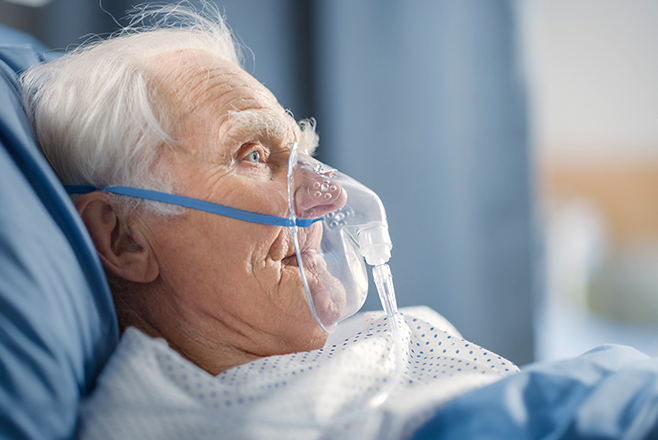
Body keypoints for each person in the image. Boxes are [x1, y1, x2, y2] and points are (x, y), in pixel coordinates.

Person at [20, 4, 516, 439]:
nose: (330, 195)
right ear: (124, 237)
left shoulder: (366, 342)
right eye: (255, 155)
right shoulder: (187, 424)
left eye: (302, 155)